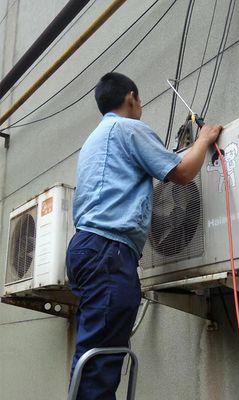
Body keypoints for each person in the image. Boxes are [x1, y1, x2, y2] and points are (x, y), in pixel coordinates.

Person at [65, 72, 222, 399]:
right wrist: (204, 140)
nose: (141, 107)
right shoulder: (128, 128)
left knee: (94, 352)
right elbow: (181, 173)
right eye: (140, 101)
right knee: (102, 361)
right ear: (131, 98)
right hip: (109, 251)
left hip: (85, 249)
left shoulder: (94, 140)